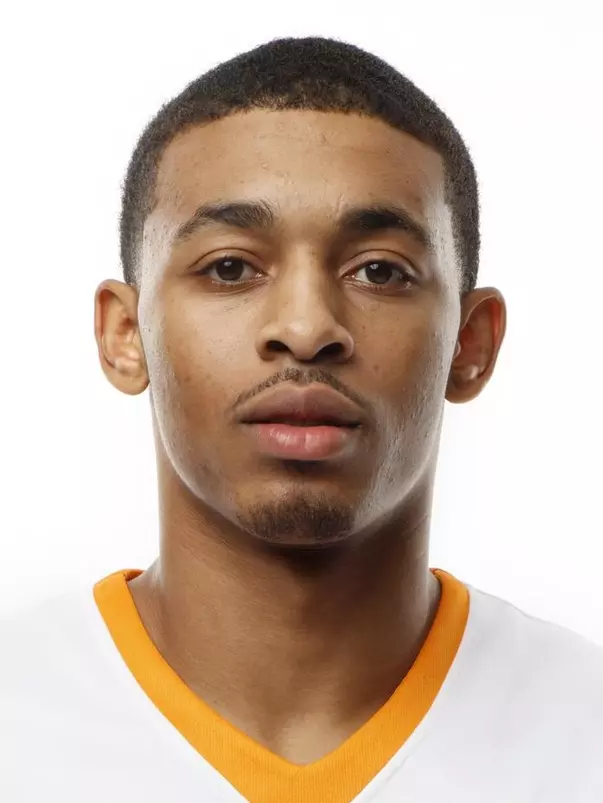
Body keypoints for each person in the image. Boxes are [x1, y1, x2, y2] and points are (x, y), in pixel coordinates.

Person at [3, 36, 602, 803]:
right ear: (125, 334)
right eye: (229, 267)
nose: (306, 325)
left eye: (379, 270)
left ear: (470, 343)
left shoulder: (583, 737)